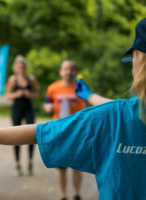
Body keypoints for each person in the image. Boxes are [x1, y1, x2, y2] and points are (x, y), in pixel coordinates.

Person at [0, 16, 146, 199]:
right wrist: (89, 95)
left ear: (140, 60)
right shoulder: (113, 114)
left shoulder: (111, 117)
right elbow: (123, 109)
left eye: (134, 57)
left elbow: (40, 131)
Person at [43, 60, 85, 200]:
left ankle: (77, 194)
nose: (68, 71)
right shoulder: (53, 88)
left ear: (75, 72)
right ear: (61, 72)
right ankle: (63, 195)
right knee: (60, 166)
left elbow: (87, 105)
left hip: (77, 130)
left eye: (71, 69)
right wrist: (47, 108)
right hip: (59, 131)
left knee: (77, 165)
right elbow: (47, 103)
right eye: (65, 69)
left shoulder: (81, 88)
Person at [5, 55, 40, 176]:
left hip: (28, 109)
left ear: (26, 68)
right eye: (19, 67)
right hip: (17, 109)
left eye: (23, 67)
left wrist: (28, 94)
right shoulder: (12, 80)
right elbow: (8, 95)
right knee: (16, 136)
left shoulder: (31, 79)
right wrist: (18, 93)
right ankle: (17, 164)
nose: (21, 69)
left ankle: (30, 162)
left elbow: (37, 94)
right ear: (15, 68)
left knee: (31, 134)